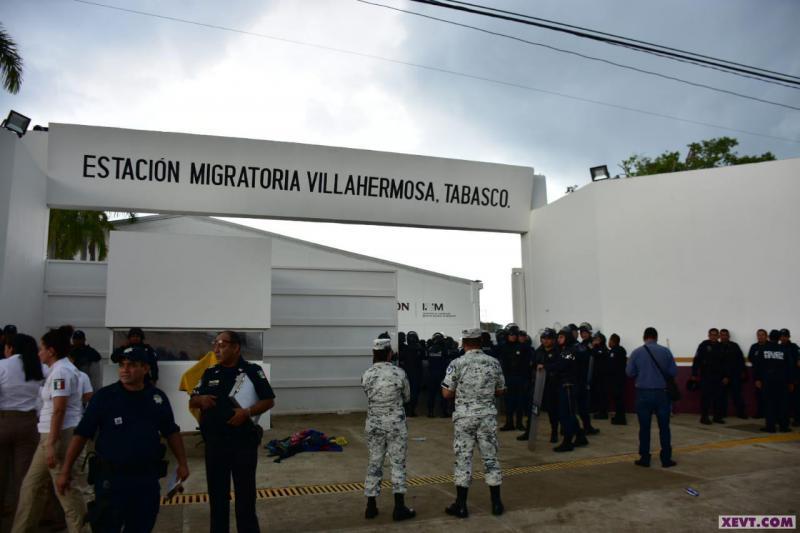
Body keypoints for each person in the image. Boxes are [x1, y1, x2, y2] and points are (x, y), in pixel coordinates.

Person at [55, 345, 189, 532]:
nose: (125, 369)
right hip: (111, 480)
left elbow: (171, 432)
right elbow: (82, 434)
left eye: (132, 365)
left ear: (146, 368)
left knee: (141, 526)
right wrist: (66, 470)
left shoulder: (157, 398)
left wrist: (182, 464)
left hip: (145, 479)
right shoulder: (105, 397)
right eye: (122, 365)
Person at [190, 331, 275, 533]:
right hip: (215, 445)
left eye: (222, 344)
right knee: (217, 497)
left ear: (236, 347)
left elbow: (268, 400)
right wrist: (200, 400)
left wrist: (247, 412)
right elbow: (192, 399)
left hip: (242, 444)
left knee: (245, 497)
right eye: (215, 344)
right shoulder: (210, 372)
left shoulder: (252, 371)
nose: (216, 349)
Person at [11, 326, 88, 533]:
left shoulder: (61, 372)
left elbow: (59, 409)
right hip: (49, 434)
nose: (38, 353)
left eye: (41, 349)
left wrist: (52, 443)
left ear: (51, 351)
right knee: (32, 487)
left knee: (65, 489)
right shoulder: (58, 370)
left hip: (57, 435)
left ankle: (79, 528)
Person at [441, 328, 505, 518]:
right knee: (491, 459)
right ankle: (496, 504)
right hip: (487, 417)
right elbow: (501, 390)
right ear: (481, 342)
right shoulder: (494, 363)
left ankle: (461, 506)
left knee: (463, 459)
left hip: (465, 418)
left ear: (464, 342)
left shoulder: (457, 363)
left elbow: (446, 393)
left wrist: (463, 393)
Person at [361, 338, 415, 521]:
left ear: (373, 354)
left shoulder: (367, 374)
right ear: (390, 353)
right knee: (397, 463)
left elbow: (366, 394)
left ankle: (370, 506)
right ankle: (399, 508)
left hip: (374, 424)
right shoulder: (399, 373)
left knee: (374, 462)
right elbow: (407, 397)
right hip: (395, 425)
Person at [0, 334, 46, 532]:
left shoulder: (2, 366)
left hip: (3, 421)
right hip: (30, 424)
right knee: (25, 478)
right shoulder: (40, 368)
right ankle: (20, 523)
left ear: (10, 348)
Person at [626, 327, 678, 468]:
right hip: (662, 394)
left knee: (644, 428)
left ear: (644, 337)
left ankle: (645, 458)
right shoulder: (666, 351)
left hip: (643, 394)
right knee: (664, 428)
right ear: (656, 337)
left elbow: (629, 372)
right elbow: (673, 371)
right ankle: (666, 459)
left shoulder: (636, 352)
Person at [519, 328, 559, 442]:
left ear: (553, 340)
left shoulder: (557, 352)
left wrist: (546, 367)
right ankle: (529, 432)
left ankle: (554, 433)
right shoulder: (538, 351)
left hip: (551, 386)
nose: (545, 341)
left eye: (548, 338)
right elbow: (532, 365)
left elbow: (558, 367)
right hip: (537, 385)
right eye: (544, 338)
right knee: (532, 410)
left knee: (553, 411)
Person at [548, 327, 584, 452]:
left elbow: (560, 366)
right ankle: (580, 436)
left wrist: (545, 367)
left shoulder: (570, 351)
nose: (559, 339)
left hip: (569, 386)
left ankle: (568, 442)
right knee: (569, 414)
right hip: (563, 385)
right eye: (558, 337)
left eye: (562, 337)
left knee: (566, 414)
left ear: (568, 338)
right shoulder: (563, 350)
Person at [753, 330, 793, 433]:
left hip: (768, 382)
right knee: (783, 405)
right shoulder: (784, 350)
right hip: (782, 382)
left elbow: (757, 366)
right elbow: (790, 367)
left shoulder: (763, 349)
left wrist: (757, 379)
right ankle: (784, 427)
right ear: (780, 338)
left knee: (769, 405)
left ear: (769, 337)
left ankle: (770, 427)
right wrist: (791, 382)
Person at [690, 328, 726, 424]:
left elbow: (725, 363)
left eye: (715, 335)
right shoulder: (703, 345)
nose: (713, 337)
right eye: (712, 335)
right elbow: (696, 360)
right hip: (706, 376)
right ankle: (704, 417)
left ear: (718, 336)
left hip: (718, 377)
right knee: (706, 397)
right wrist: (694, 374)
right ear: (709, 336)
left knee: (718, 398)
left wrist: (726, 376)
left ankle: (717, 417)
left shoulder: (721, 346)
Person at [499, 327, 530, 431]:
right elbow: (501, 363)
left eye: (514, 335)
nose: (512, 336)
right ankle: (509, 423)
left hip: (520, 378)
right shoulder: (503, 347)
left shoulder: (523, 347)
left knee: (520, 402)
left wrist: (525, 378)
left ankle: (519, 423)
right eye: (510, 335)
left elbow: (527, 364)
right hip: (508, 378)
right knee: (508, 402)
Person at [719, 329, 747, 419]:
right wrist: (724, 376)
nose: (724, 337)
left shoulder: (735, 346)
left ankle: (741, 413)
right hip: (722, 376)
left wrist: (743, 371)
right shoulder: (717, 347)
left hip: (735, 375)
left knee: (737, 395)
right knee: (722, 396)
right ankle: (722, 414)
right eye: (722, 335)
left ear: (728, 336)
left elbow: (740, 360)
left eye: (725, 335)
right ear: (720, 336)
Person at [399, 331, 424, 417]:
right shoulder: (420, 348)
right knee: (414, 393)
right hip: (416, 374)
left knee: (405, 392)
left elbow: (400, 359)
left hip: (406, 374)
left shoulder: (405, 349)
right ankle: (412, 411)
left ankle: (407, 410)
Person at [779, 329, 800, 426]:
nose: (783, 338)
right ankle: (784, 419)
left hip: (794, 378)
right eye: (782, 336)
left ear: (788, 337)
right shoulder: (778, 347)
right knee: (783, 401)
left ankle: (797, 419)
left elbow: (797, 364)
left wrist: (793, 380)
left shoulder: (794, 347)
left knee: (796, 401)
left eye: (785, 336)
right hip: (782, 379)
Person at [425, 333, 449, 417]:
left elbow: (427, 360)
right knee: (443, 394)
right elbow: (446, 361)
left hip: (431, 374)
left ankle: (430, 412)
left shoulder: (429, 349)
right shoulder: (444, 349)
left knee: (431, 394)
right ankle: (443, 412)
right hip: (442, 374)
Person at [607, 334, 628, 425]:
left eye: (610, 340)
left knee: (618, 399)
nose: (609, 342)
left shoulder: (614, 351)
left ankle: (620, 419)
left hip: (616, 379)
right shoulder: (622, 350)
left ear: (613, 341)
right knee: (619, 399)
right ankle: (620, 417)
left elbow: (611, 366)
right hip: (621, 379)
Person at [748, 329, 769, 418]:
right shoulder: (754, 347)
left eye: (762, 335)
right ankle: (760, 413)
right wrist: (757, 378)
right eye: (759, 335)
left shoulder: (771, 346)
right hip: (758, 375)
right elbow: (750, 358)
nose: (760, 336)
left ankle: (769, 413)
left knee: (769, 396)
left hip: (770, 376)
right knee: (759, 395)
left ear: (766, 336)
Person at [590, 332, 610, 420]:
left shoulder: (603, 349)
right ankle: (599, 411)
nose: (595, 341)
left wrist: (593, 347)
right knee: (598, 394)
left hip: (603, 376)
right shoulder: (598, 348)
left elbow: (596, 353)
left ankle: (603, 413)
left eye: (597, 339)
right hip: (597, 376)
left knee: (602, 395)